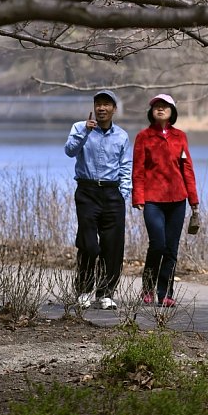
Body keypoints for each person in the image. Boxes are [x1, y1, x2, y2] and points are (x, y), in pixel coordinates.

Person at [64, 89, 132, 310]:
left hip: (112, 194)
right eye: (98, 104)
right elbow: (70, 151)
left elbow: (125, 166)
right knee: (89, 244)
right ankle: (84, 290)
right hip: (87, 191)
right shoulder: (80, 128)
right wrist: (84, 131)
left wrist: (124, 193)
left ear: (114, 109)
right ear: (94, 107)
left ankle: (106, 293)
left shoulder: (121, 135)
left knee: (112, 246)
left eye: (106, 104)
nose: (102, 108)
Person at [132, 94, 199, 308]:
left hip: (177, 200)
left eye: (165, 107)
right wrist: (138, 197)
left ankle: (166, 293)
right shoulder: (144, 137)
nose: (160, 110)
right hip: (152, 200)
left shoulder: (180, 137)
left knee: (171, 248)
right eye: (156, 107)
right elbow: (138, 170)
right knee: (158, 245)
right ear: (151, 112)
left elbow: (187, 169)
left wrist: (193, 200)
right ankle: (148, 287)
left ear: (172, 111)